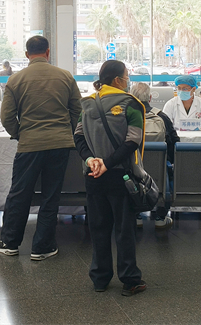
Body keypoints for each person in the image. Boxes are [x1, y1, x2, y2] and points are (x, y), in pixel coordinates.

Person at [0, 36, 82, 260]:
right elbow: (77, 111)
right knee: (51, 195)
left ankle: (9, 242)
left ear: (27, 54)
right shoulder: (65, 76)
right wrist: (69, 132)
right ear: (48, 52)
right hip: (60, 144)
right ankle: (43, 247)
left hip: (29, 144)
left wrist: (19, 133)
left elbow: (6, 117)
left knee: (20, 193)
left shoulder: (15, 80)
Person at [74, 60, 147, 296]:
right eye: (126, 76)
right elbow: (133, 141)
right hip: (120, 176)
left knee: (98, 227)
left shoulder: (87, 103)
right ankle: (130, 279)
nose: (128, 81)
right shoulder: (131, 104)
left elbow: (78, 137)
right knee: (124, 229)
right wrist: (108, 163)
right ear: (117, 80)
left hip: (93, 174)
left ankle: (100, 278)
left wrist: (91, 160)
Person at [131, 82, 178, 229]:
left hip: (133, 170)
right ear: (150, 98)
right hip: (159, 173)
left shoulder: (125, 116)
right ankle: (160, 217)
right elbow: (174, 143)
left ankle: (135, 216)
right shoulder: (162, 116)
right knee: (167, 173)